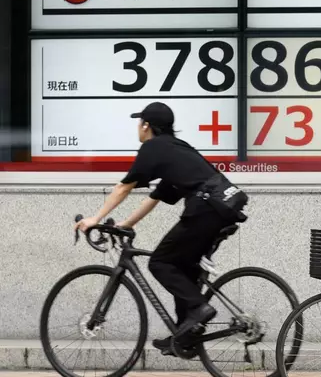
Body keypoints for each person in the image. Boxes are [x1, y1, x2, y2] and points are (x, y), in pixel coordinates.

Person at [74, 101, 246, 355]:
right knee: (182, 268)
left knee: (160, 263)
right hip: (223, 205)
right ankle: (185, 334)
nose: (138, 128)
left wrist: (94, 218)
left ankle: (199, 308)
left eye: (139, 123)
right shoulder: (175, 149)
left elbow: (124, 186)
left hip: (207, 208)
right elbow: (154, 197)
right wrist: (127, 224)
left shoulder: (153, 147)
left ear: (146, 125)